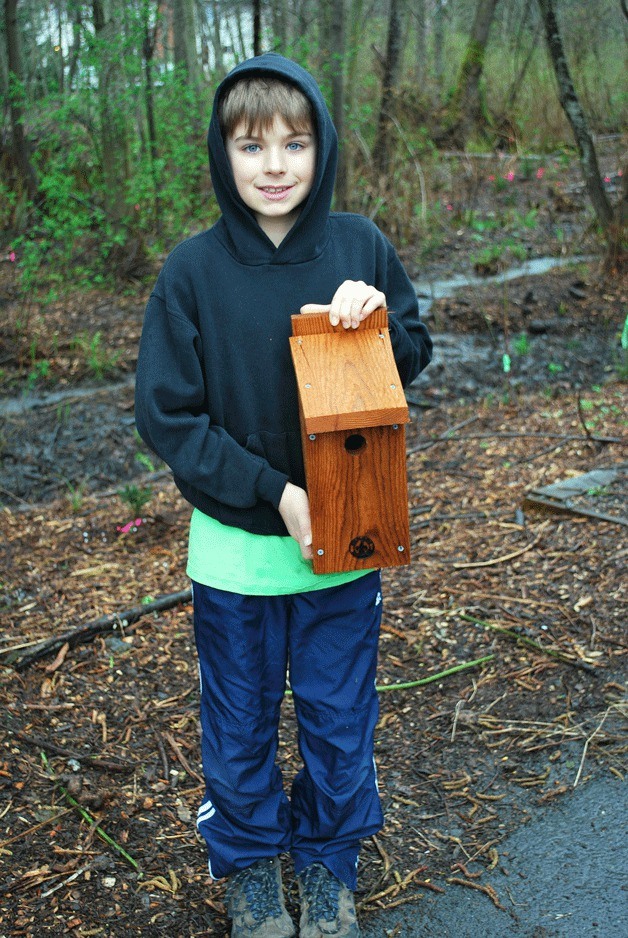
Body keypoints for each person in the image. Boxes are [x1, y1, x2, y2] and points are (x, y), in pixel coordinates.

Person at [135, 53, 432, 938]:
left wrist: (372, 318)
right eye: (251, 144)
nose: (274, 164)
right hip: (237, 559)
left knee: (342, 723)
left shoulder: (358, 246)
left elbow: (410, 352)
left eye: (295, 143)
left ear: (322, 147)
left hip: (348, 551)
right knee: (238, 726)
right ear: (223, 155)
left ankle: (331, 856)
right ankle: (254, 866)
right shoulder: (191, 275)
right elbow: (169, 418)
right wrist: (275, 495)